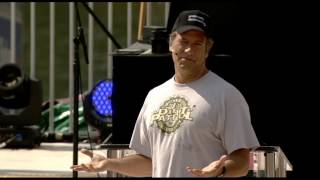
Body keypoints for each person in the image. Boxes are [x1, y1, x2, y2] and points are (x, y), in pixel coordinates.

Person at [71, 9, 260, 177]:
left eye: (197, 44)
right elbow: (149, 163)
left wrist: (222, 170)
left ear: (207, 49)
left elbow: (243, 162)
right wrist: (109, 163)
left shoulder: (228, 96)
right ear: (171, 43)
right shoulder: (155, 95)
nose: (188, 50)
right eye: (183, 41)